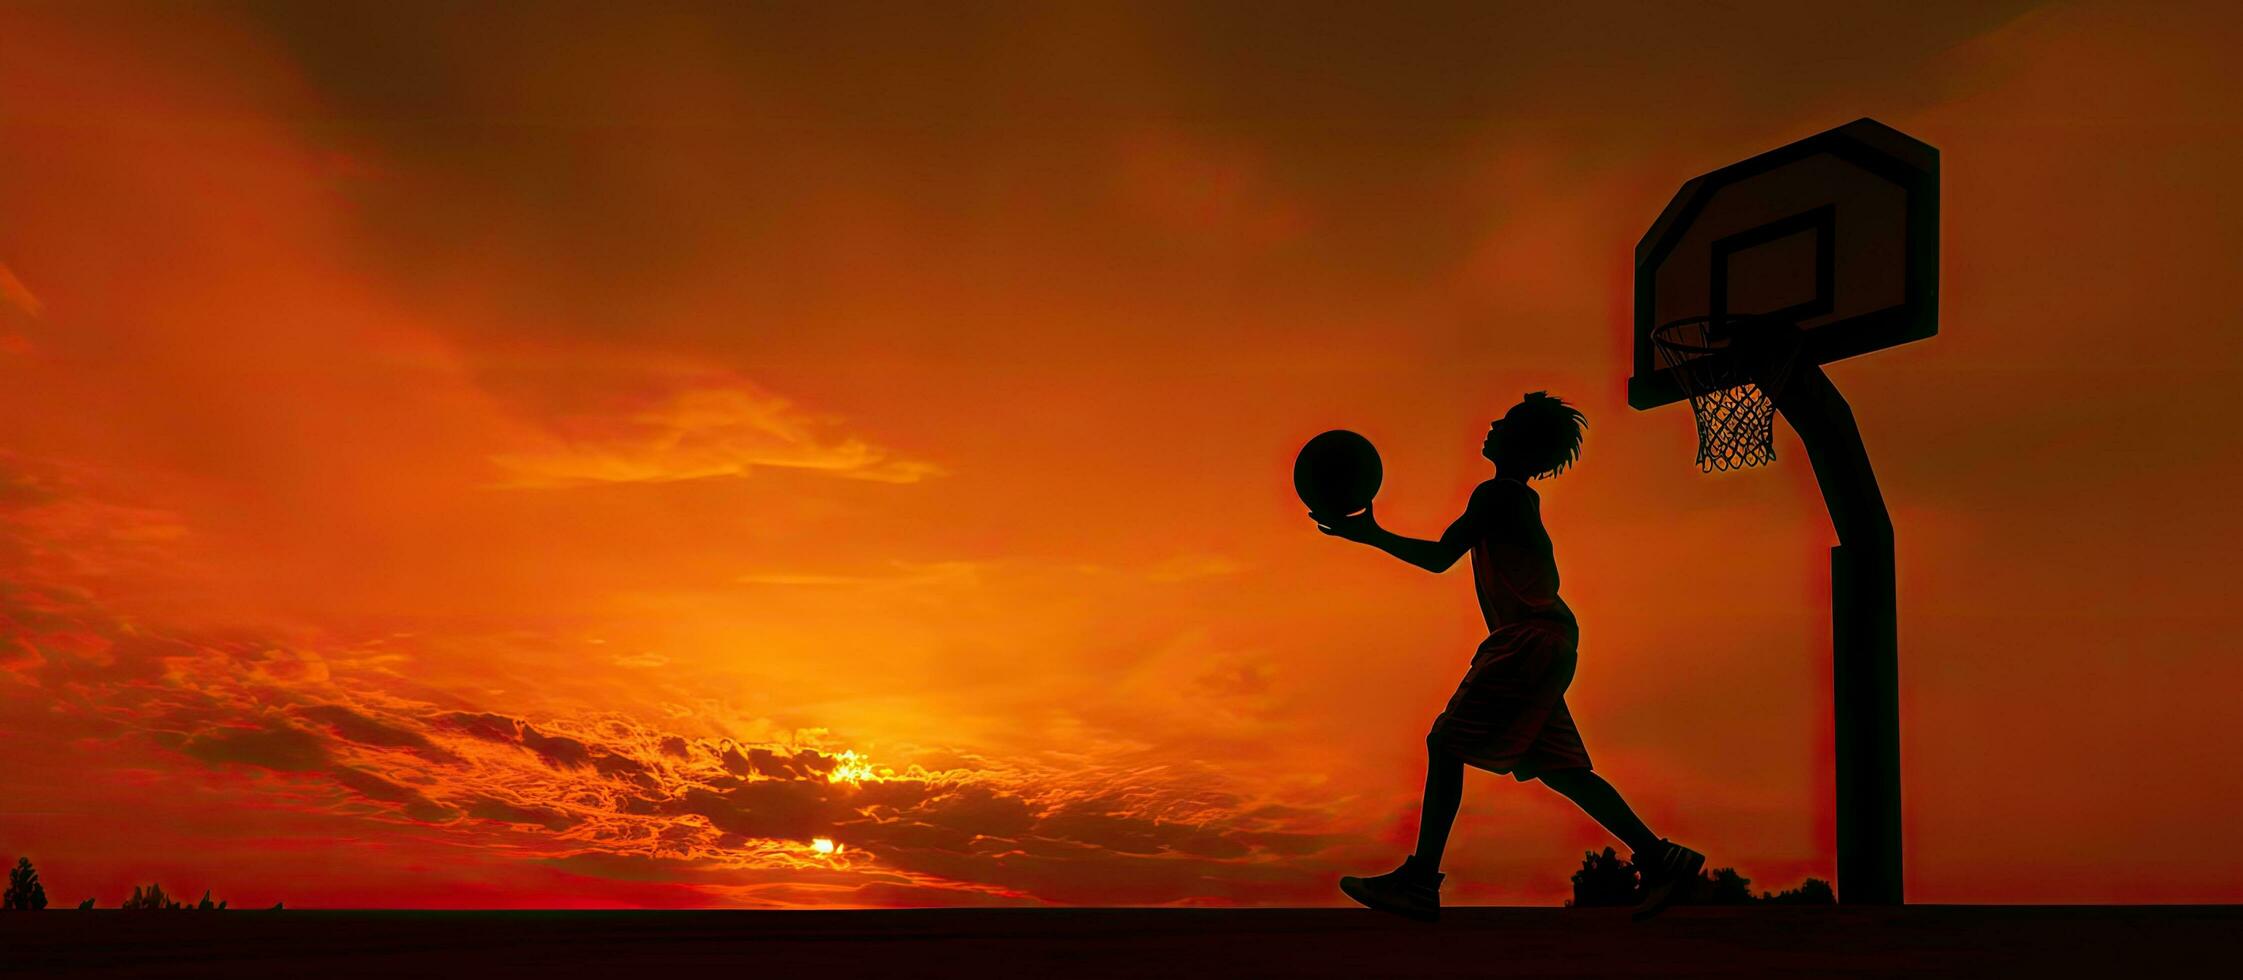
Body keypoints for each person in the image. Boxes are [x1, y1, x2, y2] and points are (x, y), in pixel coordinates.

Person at [1312, 392, 1703, 922]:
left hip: (1526, 641)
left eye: (1506, 421)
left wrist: (1372, 535)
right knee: (1562, 770)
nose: (1493, 423)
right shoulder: (1514, 499)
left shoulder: (1496, 494)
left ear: (1520, 442)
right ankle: (1663, 859)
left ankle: (1421, 882)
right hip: (1550, 644)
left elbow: (1438, 558)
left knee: (1445, 742)